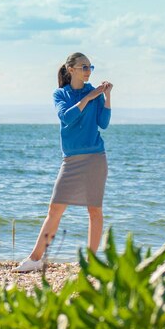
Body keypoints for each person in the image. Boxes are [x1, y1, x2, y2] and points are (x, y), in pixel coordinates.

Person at [13, 52, 113, 272]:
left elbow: (103, 123)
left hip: (96, 157)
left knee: (94, 210)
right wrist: (88, 98)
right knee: (55, 207)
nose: (88, 71)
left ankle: (91, 262)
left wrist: (106, 97)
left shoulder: (95, 92)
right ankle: (35, 258)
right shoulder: (61, 94)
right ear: (71, 69)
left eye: (90, 67)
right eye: (84, 67)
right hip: (71, 160)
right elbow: (66, 117)